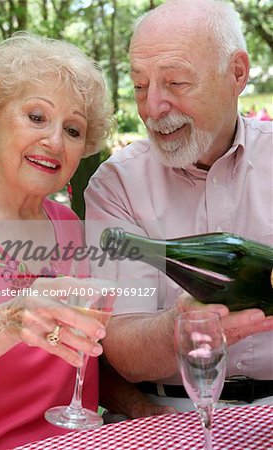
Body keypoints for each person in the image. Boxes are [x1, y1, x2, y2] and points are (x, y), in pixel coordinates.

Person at [85, 0, 273, 416]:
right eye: (139, 85)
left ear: (237, 74)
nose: (152, 108)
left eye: (175, 83)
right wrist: (182, 326)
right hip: (167, 411)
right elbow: (123, 349)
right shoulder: (117, 184)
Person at [0, 32, 113, 449]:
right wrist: (8, 319)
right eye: (37, 117)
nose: (54, 141)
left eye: (73, 130)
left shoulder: (70, 225)